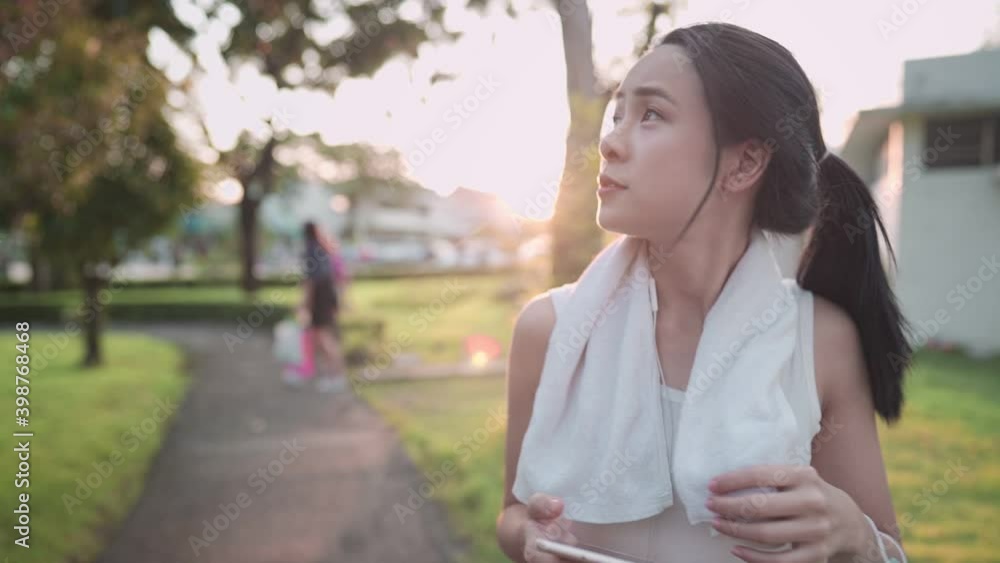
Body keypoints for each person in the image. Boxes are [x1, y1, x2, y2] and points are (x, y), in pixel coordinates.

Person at [497, 23, 911, 563]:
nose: (610, 141)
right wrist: (525, 536)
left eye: (651, 115)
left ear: (744, 163)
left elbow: (886, 549)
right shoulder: (548, 329)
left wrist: (852, 534)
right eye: (618, 113)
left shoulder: (820, 341)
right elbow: (510, 514)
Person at [282, 221, 350, 393]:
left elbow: (311, 282)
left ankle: (336, 376)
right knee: (321, 338)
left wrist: (304, 305)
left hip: (320, 297)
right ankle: (330, 375)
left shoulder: (310, 250)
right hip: (327, 296)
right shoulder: (321, 248)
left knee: (323, 338)